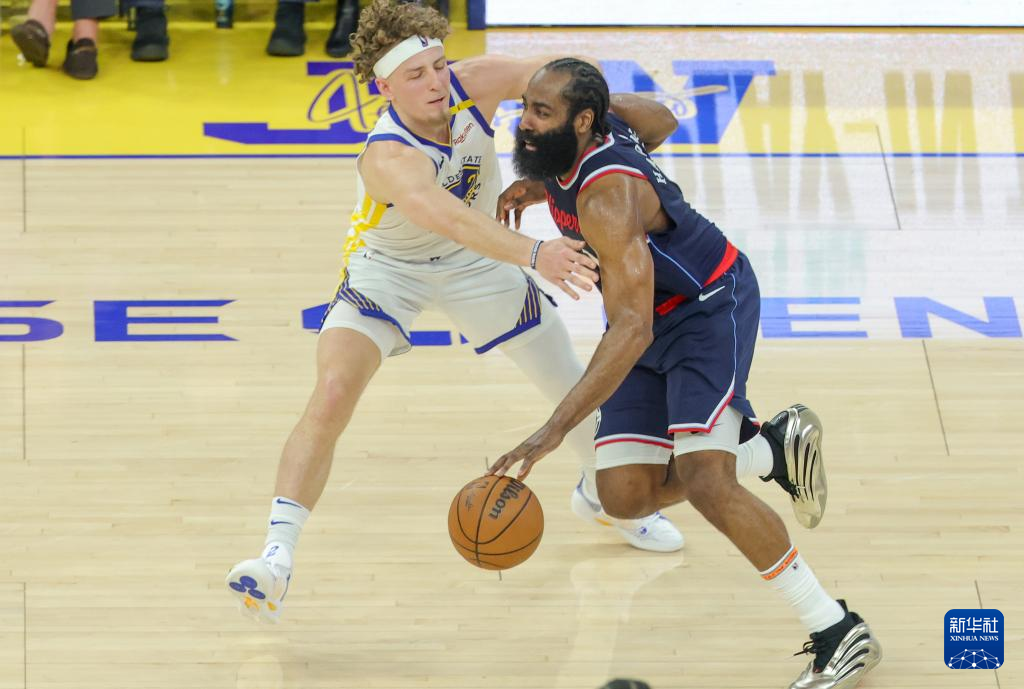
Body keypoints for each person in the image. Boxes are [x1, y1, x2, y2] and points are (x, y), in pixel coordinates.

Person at [226, 0, 687, 625]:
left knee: (571, 382)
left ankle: (602, 498)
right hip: (391, 269)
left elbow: (572, 74)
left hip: (478, 266)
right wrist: (536, 252)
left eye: (439, 65)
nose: (436, 82)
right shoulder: (388, 155)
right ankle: (275, 558)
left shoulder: (479, 81)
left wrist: (592, 114)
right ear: (384, 87)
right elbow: (450, 218)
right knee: (332, 393)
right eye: (415, 75)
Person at [488, 59, 882, 689]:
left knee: (706, 482)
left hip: (706, 308)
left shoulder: (606, 197)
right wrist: (544, 180)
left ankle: (838, 631)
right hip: (645, 313)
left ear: (582, 121)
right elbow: (663, 121)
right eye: (526, 107)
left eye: (542, 112)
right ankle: (771, 448)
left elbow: (631, 330)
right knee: (623, 496)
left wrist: (551, 432)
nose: (525, 123)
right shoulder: (603, 128)